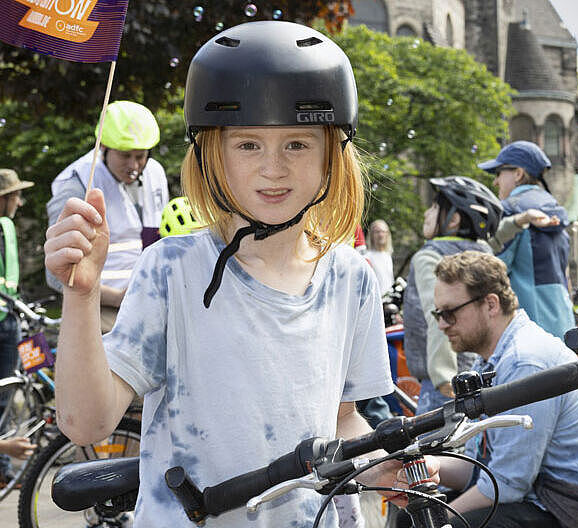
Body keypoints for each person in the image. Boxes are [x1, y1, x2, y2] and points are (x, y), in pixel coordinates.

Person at [43, 21, 429, 527]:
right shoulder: (171, 269)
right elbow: (85, 423)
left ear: (334, 154)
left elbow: (341, 418)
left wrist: (381, 468)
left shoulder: (350, 277)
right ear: (211, 155)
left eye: (298, 144)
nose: (274, 167)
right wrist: (82, 297)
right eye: (248, 145)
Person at [404, 251, 578, 528]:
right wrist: (428, 466)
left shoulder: (525, 362)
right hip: (548, 498)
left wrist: (435, 521)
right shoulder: (492, 359)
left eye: (449, 313)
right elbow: (484, 467)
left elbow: (507, 484)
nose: (441, 324)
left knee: (434, 522)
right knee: (412, 516)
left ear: (491, 304)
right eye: (438, 313)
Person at [46, 100, 169, 333]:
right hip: (100, 310)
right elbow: (56, 275)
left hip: (149, 307)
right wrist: (117, 298)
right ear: (103, 147)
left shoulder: (154, 174)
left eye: (141, 156)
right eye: (125, 156)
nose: (134, 165)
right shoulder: (76, 187)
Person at [402, 176, 500, 413]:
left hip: (446, 385)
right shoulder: (485, 253)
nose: (426, 213)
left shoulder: (429, 257)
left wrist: (444, 378)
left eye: (434, 207)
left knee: (430, 449)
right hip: (485, 375)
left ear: (453, 219)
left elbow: (438, 315)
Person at [478, 141, 574, 339]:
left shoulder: (508, 211)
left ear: (518, 174)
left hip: (525, 335)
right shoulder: (556, 210)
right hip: (563, 326)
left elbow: (489, 271)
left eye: (498, 173)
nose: (495, 182)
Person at [0, 168, 34, 483]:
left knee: (9, 388)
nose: (19, 202)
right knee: (4, 392)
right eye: (15, 196)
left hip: (10, 315)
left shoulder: (6, 226)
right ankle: (2, 467)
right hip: (3, 322)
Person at [366, 219, 394, 295]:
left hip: (388, 300)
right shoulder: (367, 256)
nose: (381, 235)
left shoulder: (387, 255)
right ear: (372, 235)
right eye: (377, 232)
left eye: (383, 231)